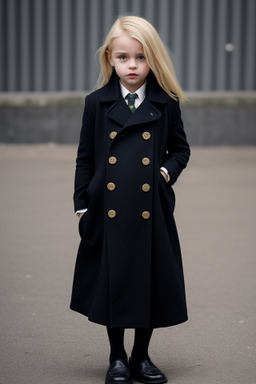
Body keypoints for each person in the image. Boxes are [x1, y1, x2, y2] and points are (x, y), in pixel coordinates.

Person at [70, 15, 190, 384]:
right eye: (123, 57)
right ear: (109, 58)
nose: (132, 65)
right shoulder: (97, 102)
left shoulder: (165, 102)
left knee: (148, 281)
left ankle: (141, 356)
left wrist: (164, 173)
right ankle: (117, 357)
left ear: (152, 59)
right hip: (107, 210)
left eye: (140, 57)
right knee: (113, 282)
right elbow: (85, 156)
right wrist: (82, 203)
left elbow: (180, 150)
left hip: (149, 210)